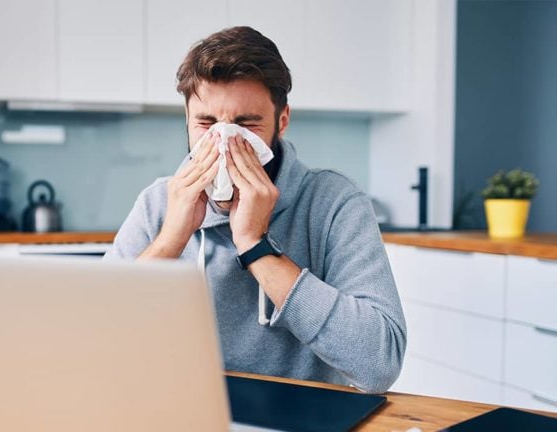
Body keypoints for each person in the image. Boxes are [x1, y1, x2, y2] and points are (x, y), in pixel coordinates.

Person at [104, 26, 406, 394]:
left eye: (247, 125)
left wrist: (255, 245)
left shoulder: (334, 202)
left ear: (282, 121)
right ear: (186, 119)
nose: (224, 141)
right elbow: (97, 343)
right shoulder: (156, 202)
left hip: (298, 417)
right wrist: (169, 241)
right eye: (205, 123)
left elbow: (378, 364)